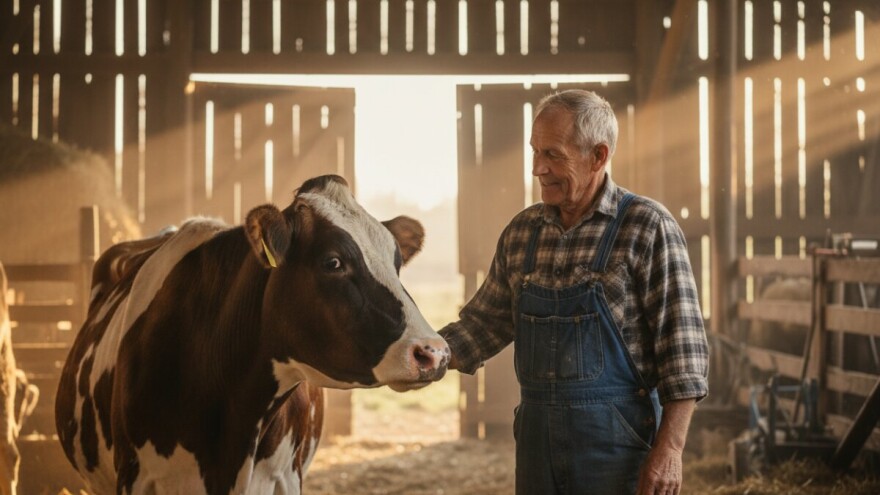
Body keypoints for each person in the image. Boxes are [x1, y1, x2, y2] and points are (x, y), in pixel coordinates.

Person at [439, 89, 709, 495]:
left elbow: (683, 354)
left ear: (598, 156)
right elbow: (484, 324)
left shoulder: (646, 226)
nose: (538, 168)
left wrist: (670, 449)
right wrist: (432, 353)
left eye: (552, 154)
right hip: (537, 448)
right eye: (535, 152)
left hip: (618, 449)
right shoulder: (522, 233)